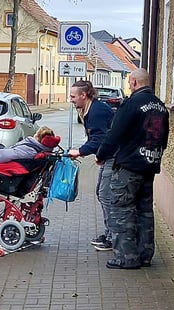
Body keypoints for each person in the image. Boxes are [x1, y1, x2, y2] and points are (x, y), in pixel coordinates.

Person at [94, 68, 169, 269]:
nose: (129, 86)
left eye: (130, 83)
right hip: (150, 166)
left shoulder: (132, 104)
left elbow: (114, 134)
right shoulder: (160, 106)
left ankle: (126, 257)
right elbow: (164, 140)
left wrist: (101, 155)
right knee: (145, 211)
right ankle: (145, 254)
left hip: (128, 167)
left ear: (135, 82)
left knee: (121, 210)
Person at [66, 79, 115, 251]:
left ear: (83, 95)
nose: (71, 100)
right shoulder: (89, 109)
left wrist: (79, 151)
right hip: (108, 156)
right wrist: (99, 154)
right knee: (101, 193)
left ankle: (112, 237)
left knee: (106, 195)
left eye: (73, 96)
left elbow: (99, 139)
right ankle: (109, 233)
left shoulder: (96, 111)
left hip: (116, 157)